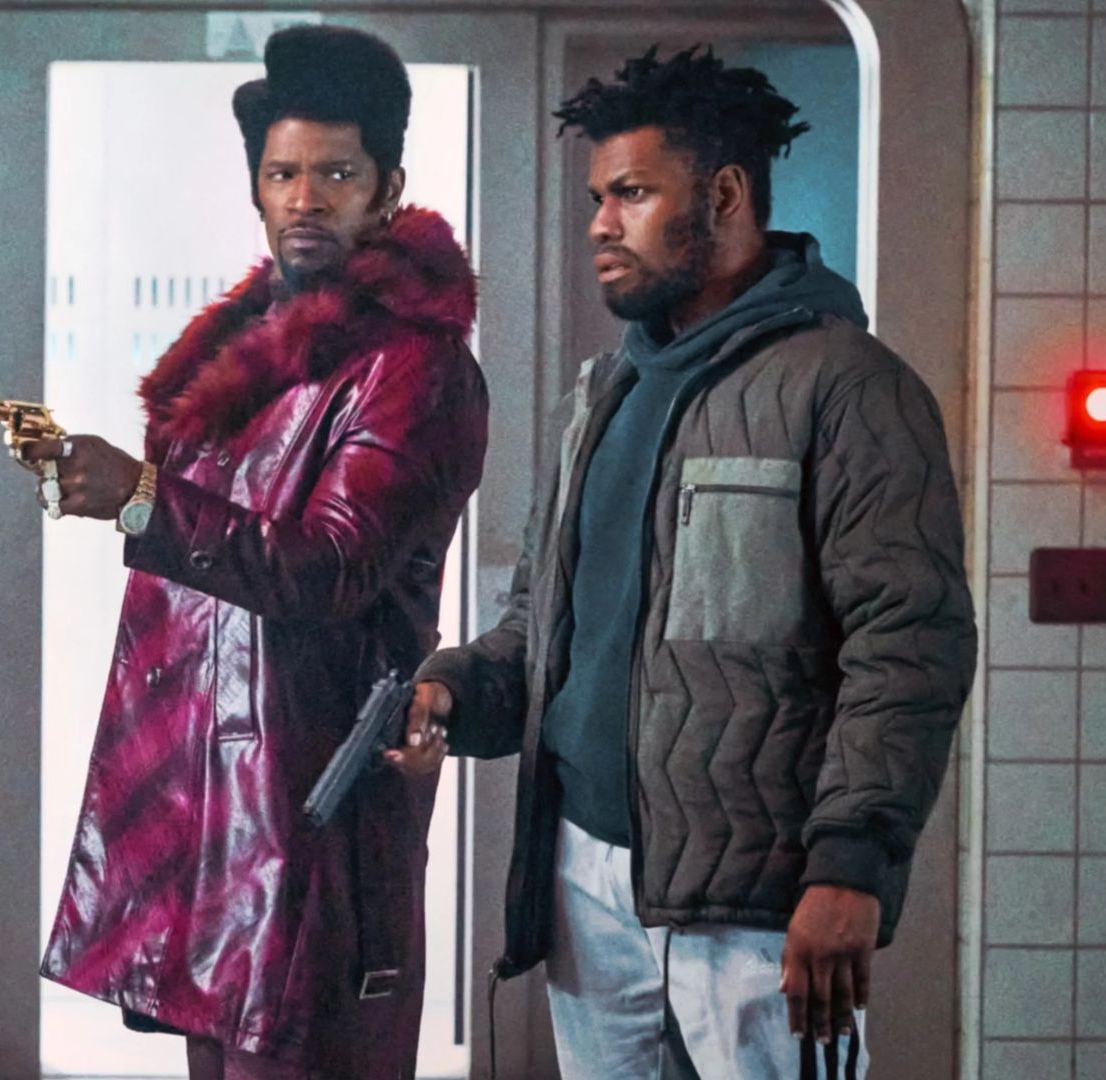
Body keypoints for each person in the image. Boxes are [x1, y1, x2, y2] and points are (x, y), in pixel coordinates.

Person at [393, 47, 977, 1079]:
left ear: (725, 196)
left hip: (755, 906)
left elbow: (907, 646)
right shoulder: (601, 393)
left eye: (631, 194)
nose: (600, 224)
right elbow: (545, 627)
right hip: (582, 877)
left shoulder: (847, 387)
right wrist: (455, 688)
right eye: (597, 198)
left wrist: (851, 866)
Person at [29, 26, 488, 1080]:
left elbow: (328, 569)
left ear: (388, 188)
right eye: (284, 174)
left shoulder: (411, 367)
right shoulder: (251, 360)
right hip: (212, 803)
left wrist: (143, 498)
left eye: (337, 173)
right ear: (257, 189)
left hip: (314, 799)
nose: (306, 198)